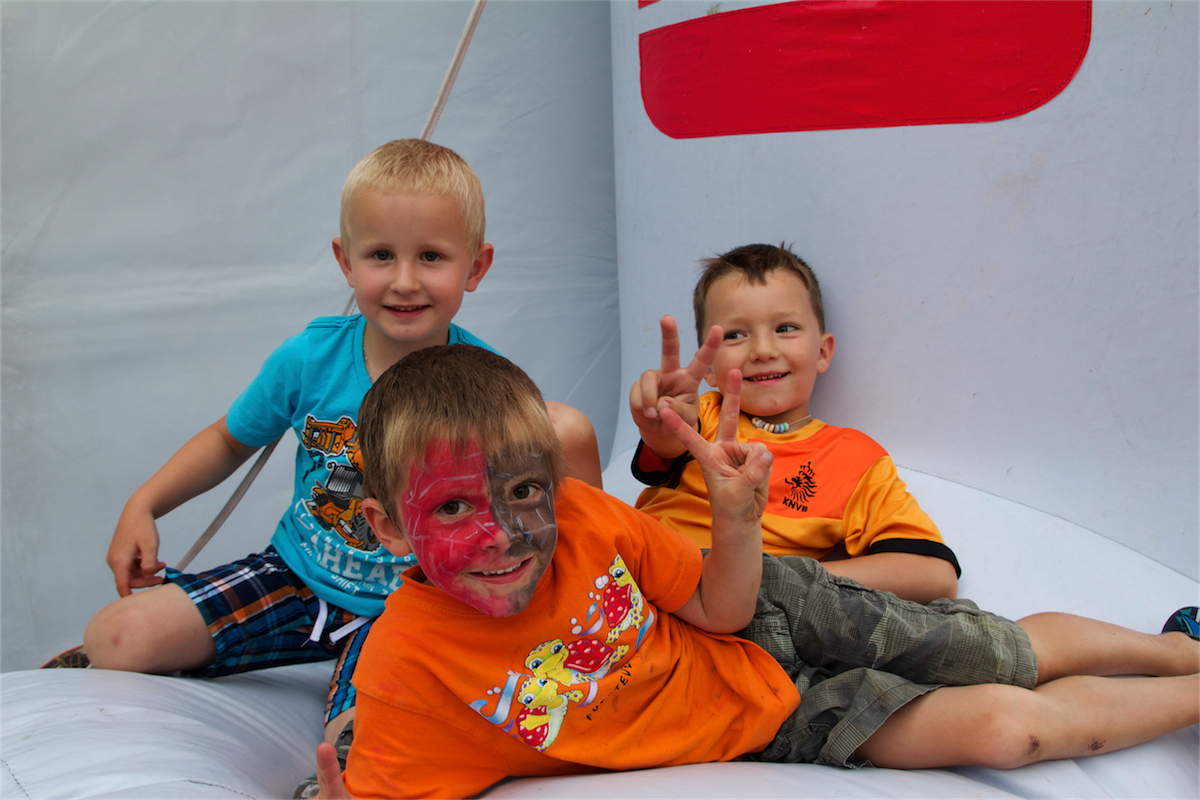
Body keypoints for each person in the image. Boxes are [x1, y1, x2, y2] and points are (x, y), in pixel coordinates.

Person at [313, 344, 1199, 800]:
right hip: (765, 723)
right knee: (1011, 732)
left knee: (1003, 655)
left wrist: (736, 521)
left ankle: (1177, 650)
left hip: (769, 609)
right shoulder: (405, 676)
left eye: (522, 492)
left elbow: (719, 608)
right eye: (454, 509)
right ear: (387, 527)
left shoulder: (585, 517)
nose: (505, 533)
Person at [79, 140, 604, 767]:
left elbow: (542, 505)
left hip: (415, 606)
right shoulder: (310, 359)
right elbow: (228, 439)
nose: (404, 280)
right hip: (296, 574)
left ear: (475, 266)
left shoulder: (488, 389)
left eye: (431, 256)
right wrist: (144, 504)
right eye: (381, 255)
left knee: (359, 743)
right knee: (116, 637)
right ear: (344, 261)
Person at [630, 243, 957, 603]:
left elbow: (934, 574)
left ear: (822, 352)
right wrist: (661, 421)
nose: (762, 350)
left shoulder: (853, 459)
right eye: (735, 335)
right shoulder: (704, 414)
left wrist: (775, 578)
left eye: (785, 328)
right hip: (635, 576)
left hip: (745, 607)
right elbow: (670, 442)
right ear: (708, 367)